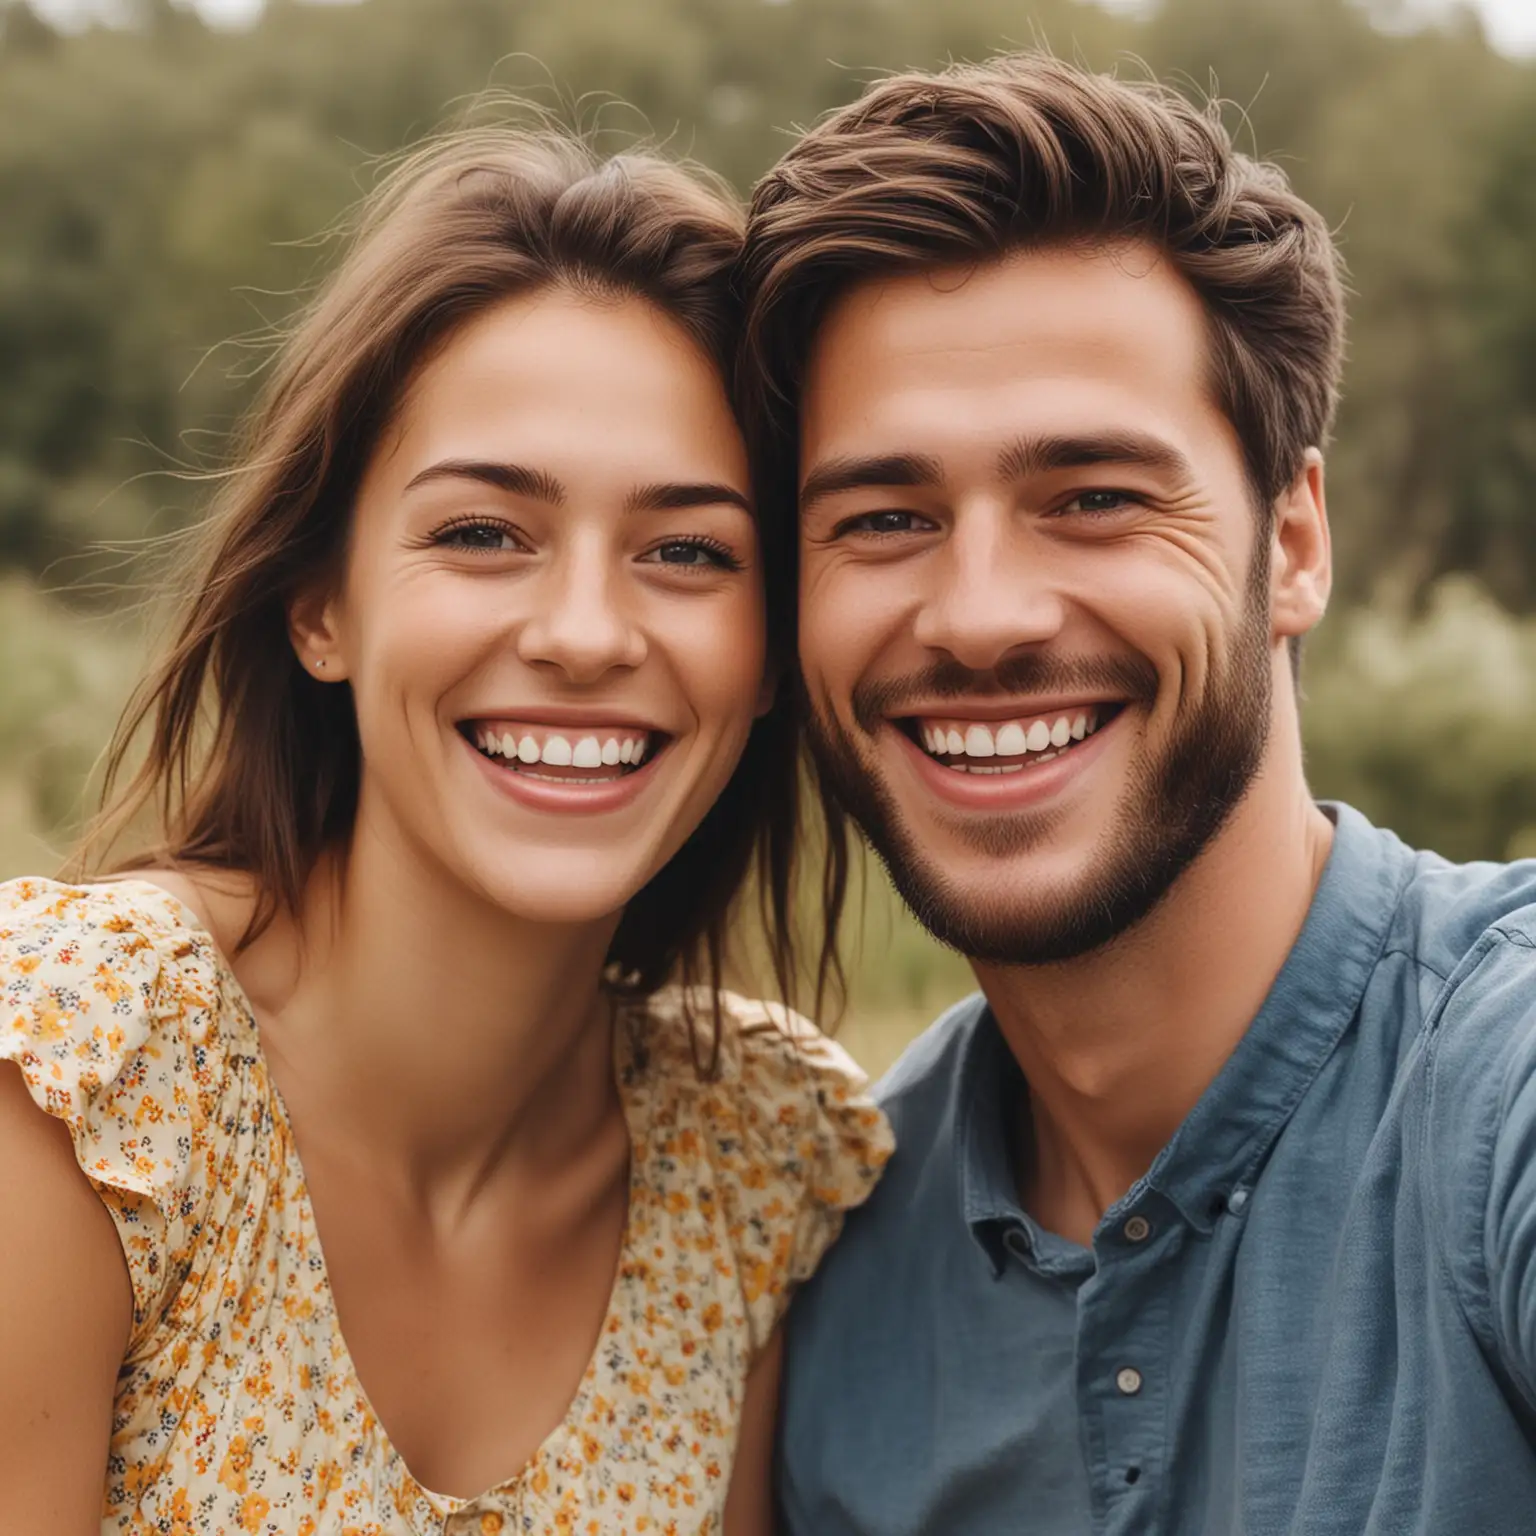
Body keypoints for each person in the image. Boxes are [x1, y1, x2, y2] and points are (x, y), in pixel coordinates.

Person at [0, 126, 890, 1536]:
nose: (588, 634)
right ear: (320, 606)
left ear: (772, 651)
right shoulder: (82, 1074)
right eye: (483, 532)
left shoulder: (749, 1164)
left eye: (688, 552)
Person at [738, 51, 1536, 1535]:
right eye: (885, 516)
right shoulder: (819, 1279)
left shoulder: (1501, 1094)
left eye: (1094, 497)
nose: (980, 616)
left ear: (1292, 543)